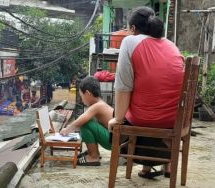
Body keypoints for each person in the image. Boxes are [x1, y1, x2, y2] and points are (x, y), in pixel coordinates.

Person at [108, 6, 184, 179]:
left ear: (133, 29)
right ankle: (166, 165)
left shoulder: (129, 42)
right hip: (174, 121)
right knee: (149, 98)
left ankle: (146, 165)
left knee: (121, 115)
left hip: (146, 120)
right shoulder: (171, 45)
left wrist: (117, 119)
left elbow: (123, 86)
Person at [60, 76, 113, 166]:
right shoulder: (100, 104)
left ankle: (93, 157)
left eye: (82, 96)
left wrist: (66, 130)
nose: (82, 99)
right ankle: (93, 152)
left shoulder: (97, 106)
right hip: (113, 139)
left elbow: (80, 120)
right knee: (89, 121)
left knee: (85, 123)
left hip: (112, 142)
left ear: (88, 93)